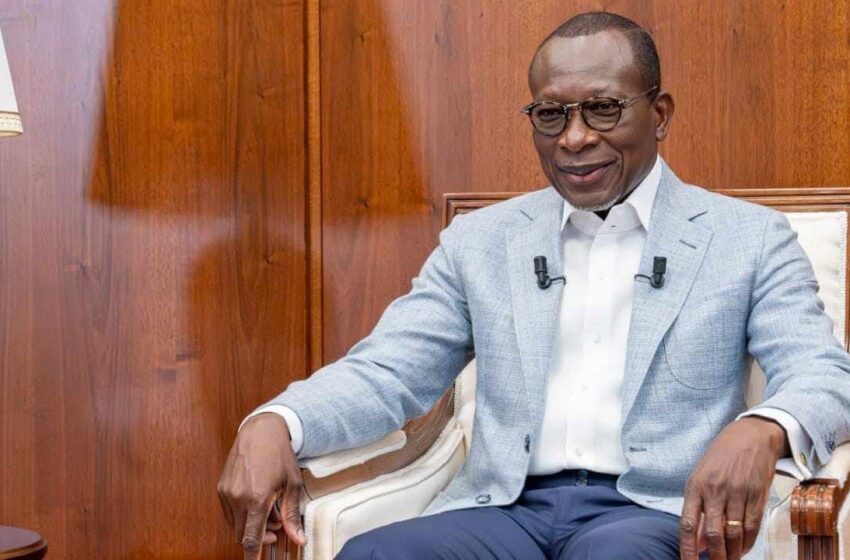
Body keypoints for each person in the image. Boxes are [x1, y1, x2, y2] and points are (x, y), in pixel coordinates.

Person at [217, 12, 850, 560]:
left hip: (655, 512)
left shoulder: (747, 238)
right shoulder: (482, 242)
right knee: (378, 553)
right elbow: (389, 371)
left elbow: (824, 374)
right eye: (551, 115)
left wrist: (764, 426)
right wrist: (278, 421)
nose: (574, 138)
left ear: (659, 115)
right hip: (505, 509)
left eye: (603, 108)